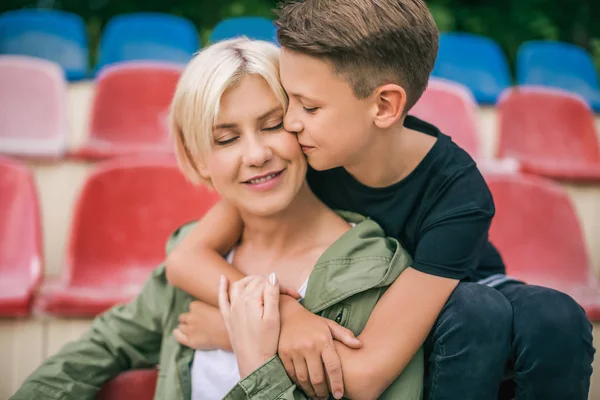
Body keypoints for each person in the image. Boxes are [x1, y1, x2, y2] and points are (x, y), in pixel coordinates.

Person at [166, 1, 595, 399]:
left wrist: (234, 331)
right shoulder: (308, 150)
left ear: (385, 106)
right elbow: (186, 259)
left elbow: (366, 373)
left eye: (308, 107)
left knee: (549, 316)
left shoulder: (458, 193)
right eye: (287, 102)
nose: (291, 124)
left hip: (452, 299)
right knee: (476, 312)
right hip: (378, 310)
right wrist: (284, 313)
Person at [11, 38, 424, 400]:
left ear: (304, 127)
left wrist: (259, 355)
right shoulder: (197, 263)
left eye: (274, 124)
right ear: (196, 159)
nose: (256, 153)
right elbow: (95, 352)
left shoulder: (377, 275)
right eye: (226, 138)